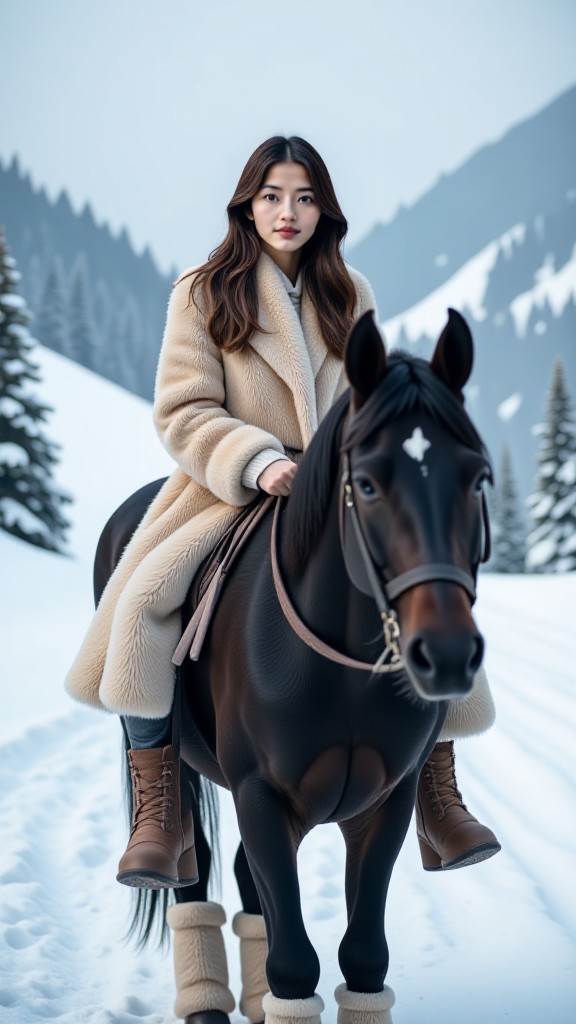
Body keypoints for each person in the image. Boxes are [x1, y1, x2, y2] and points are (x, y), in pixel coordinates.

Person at [65, 136, 499, 892]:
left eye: (303, 197)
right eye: (271, 196)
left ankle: (434, 785)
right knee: (142, 602)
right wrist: (258, 460)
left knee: (423, 594)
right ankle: (160, 809)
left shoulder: (350, 292)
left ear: (323, 208)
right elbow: (183, 409)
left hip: (334, 488)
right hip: (226, 484)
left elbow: (373, 400)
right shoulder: (204, 291)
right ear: (246, 205)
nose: (287, 212)